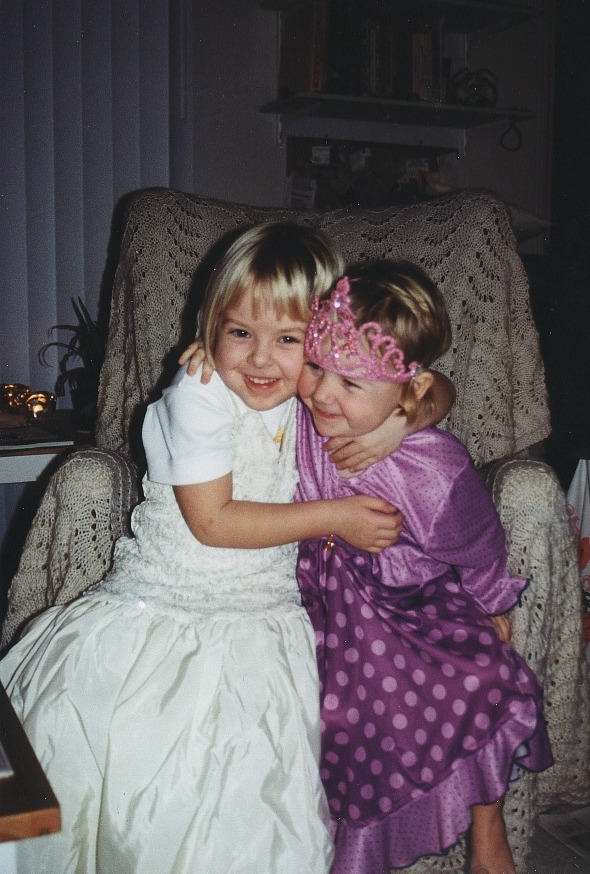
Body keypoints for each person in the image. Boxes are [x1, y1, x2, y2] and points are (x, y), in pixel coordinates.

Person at [0, 223, 405, 874]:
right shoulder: (199, 393)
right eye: (240, 332)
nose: (261, 359)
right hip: (164, 624)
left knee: (255, 810)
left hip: (263, 626)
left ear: (325, 346)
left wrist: (399, 421)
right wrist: (335, 518)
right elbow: (213, 521)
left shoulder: (312, 395)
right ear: (211, 326)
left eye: (288, 339)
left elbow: (423, 383)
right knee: (162, 798)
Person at [295, 261, 553, 874]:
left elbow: (477, 541)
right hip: (306, 598)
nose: (323, 394)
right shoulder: (294, 419)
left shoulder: (431, 468)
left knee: (481, 679)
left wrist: (493, 602)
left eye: (351, 382)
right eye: (317, 368)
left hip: (404, 606)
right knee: (339, 717)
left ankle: (487, 831)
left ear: (406, 392)